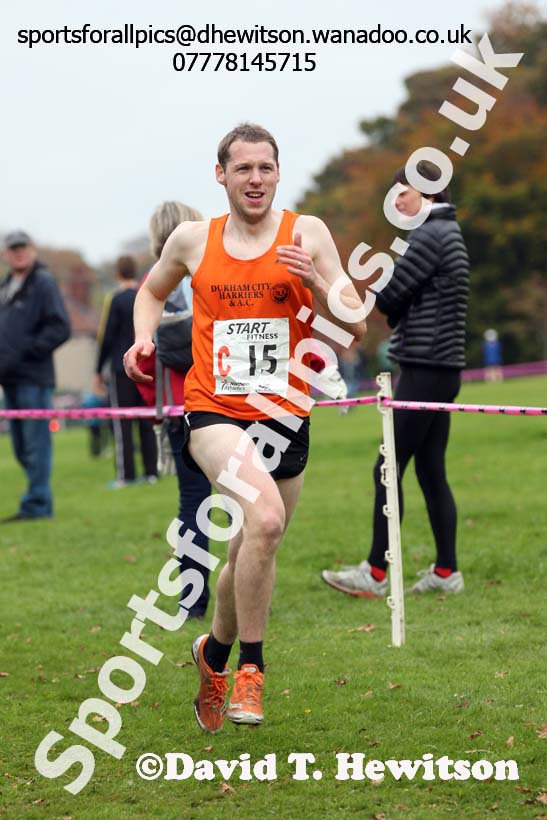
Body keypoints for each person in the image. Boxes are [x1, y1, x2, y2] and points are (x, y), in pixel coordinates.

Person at [124, 123, 366, 732]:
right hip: (215, 410)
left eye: (265, 168)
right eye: (243, 169)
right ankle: (251, 672)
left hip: (286, 415)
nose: (255, 179)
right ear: (221, 176)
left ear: (278, 173)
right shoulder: (191, 240)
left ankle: (213, 651)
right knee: (265, 519)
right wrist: (143, 339)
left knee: (252, 544)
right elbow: (151, 293)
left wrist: (314, 280)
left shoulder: (306, 233)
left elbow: (356, 321)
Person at [322, 160, 469, 597]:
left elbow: (387, 297)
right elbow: (401, 299)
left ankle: (375, 573)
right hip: (442, 368)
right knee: (429, 470)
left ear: (425, 192)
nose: (397, 202)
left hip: (425, 368)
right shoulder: (449, 232)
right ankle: (447, 573)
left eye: (400, 193)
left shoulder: (428, 235)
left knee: (387, 468)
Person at [137, 201, 212, 619]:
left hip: (177, 409)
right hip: (220, 403)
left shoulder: (153, 287)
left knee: (191, 506)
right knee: (241, 503)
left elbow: (145, 361)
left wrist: (156, 408)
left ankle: (192, 600)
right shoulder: (210, 276)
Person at [0, 230, 71, 521]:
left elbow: (60, 327)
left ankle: (39, 504)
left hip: (34, 377)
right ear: (6, 253)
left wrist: (27, 349)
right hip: (11, 378)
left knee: (36, 443)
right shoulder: (7, 286)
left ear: (32, 250)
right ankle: (35, 497)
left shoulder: (42, 283)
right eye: (13, 248)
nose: (18, 253)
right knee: (20, 446)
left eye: (23, 247)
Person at [95, 255, 158, 488]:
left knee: (122, 422)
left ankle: (126, 475)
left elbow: (106, 336)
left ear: (118, 273)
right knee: (145, 419)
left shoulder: (115, 299)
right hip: (146, 364)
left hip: (121, 368)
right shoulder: (145, 294)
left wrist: (97, 369)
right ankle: (151, 472)